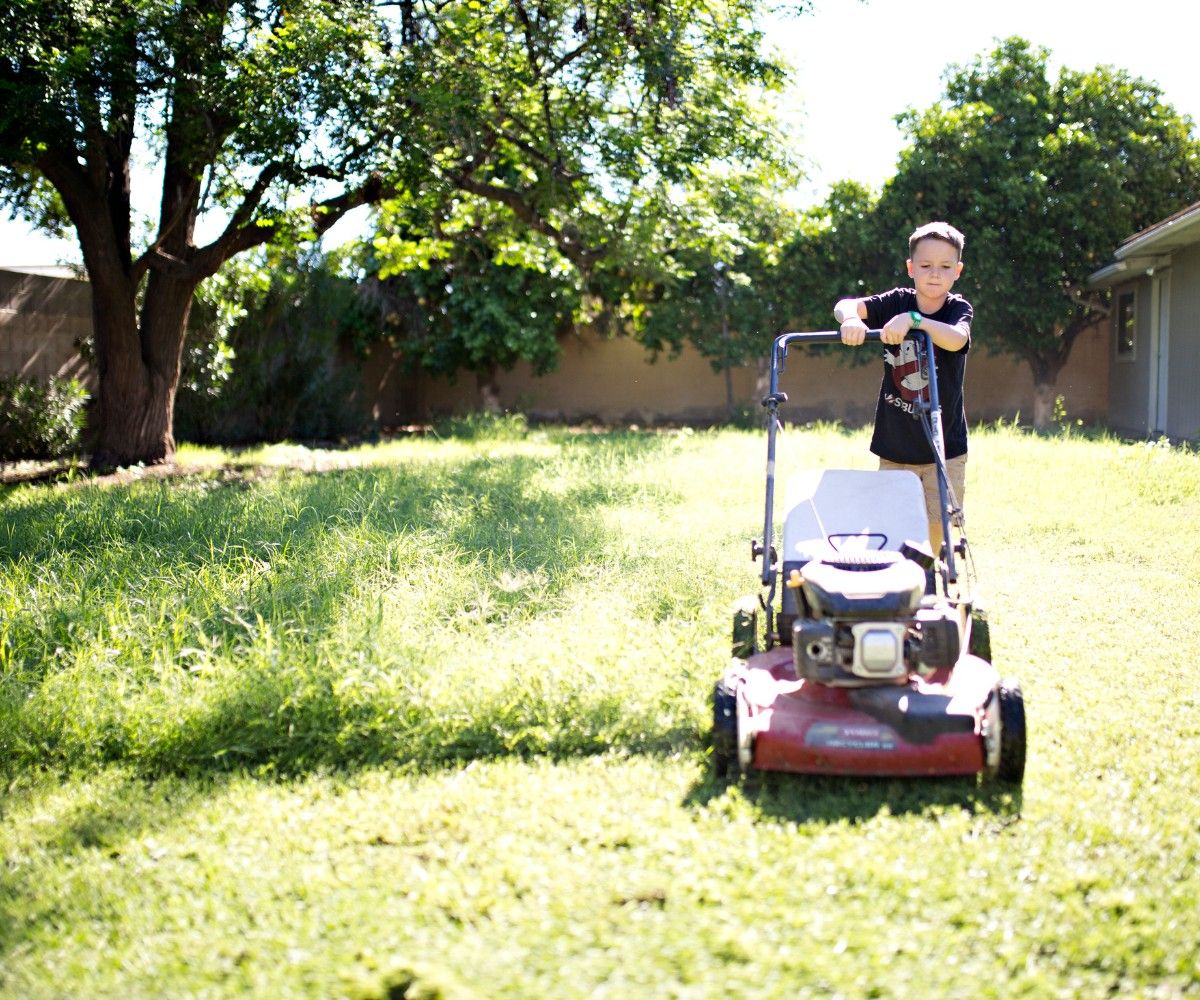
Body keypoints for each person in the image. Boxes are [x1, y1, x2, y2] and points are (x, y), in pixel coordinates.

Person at [833, 221, 972, 558]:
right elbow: (845, 305)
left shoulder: (957, 309)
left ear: (958, 271)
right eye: (925, 266)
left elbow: (957, 339)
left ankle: (933, 574)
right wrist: (851, 320)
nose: (934, 274)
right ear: (911, 268)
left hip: (944, 444)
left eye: (944, 267)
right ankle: (895, 578)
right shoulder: (896, 301)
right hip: (895, 444)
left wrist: (915, 321)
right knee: (891, 520)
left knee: (937, 523)